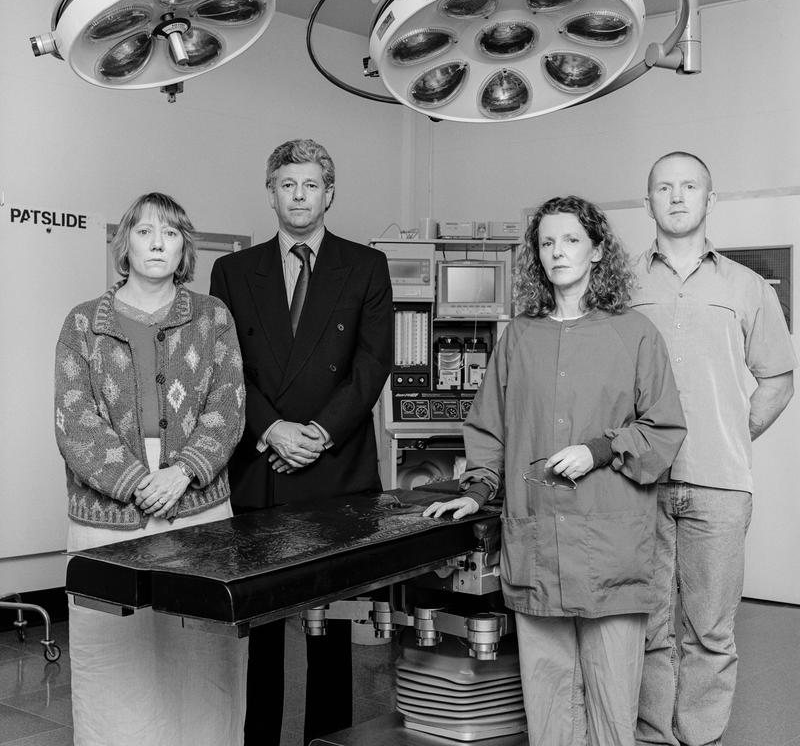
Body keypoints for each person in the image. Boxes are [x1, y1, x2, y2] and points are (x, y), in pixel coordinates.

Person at [424, 195, 687, 746]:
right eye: (546, 242)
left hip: (610, 544)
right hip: (538, 540)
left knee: (613, 704)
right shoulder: (518, 336)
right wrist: (477, 491)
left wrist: (600, 449)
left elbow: (663, 429)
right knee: (545, 702)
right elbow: (490, 429)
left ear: (596, 251)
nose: (557, 252)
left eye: (570, 239)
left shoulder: (633, 332)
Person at [210, 138, 393, 746]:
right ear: (271, 192)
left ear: (329, 193)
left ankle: (328, 740)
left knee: (330, 630)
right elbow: (227, 368)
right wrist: (272, 430)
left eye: (310, 184)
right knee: (260, 630)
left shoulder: (366, 266)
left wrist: (316, 433)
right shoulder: (233, 271)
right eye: (287, 184)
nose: (298, 195)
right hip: (262, 464)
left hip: (334, 468)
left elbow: (372, 365)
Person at [54, 192, 247, 746]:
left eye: (170, 232)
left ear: (185, 245)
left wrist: (183, 470)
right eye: (144, 231)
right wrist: (138, 481)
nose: (157, 241)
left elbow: (229, 404)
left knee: (205, 649)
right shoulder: (83, 323)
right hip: (107, 511)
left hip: (198, 499)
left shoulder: (213, 318)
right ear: (125, 244)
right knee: (113, 652)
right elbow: (75, 421)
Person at [632, 152, 797, 746]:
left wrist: (732, 428)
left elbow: (778, 377)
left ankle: (700, 738)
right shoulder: (621, 285)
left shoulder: (748, 288)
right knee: (646, 626)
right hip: (636, 483)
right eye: (664, 187)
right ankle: (653, 735)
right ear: (648, 200)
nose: (677, 196)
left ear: (710, 200)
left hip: (720, 485)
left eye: (690, 186)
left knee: (710, 630)